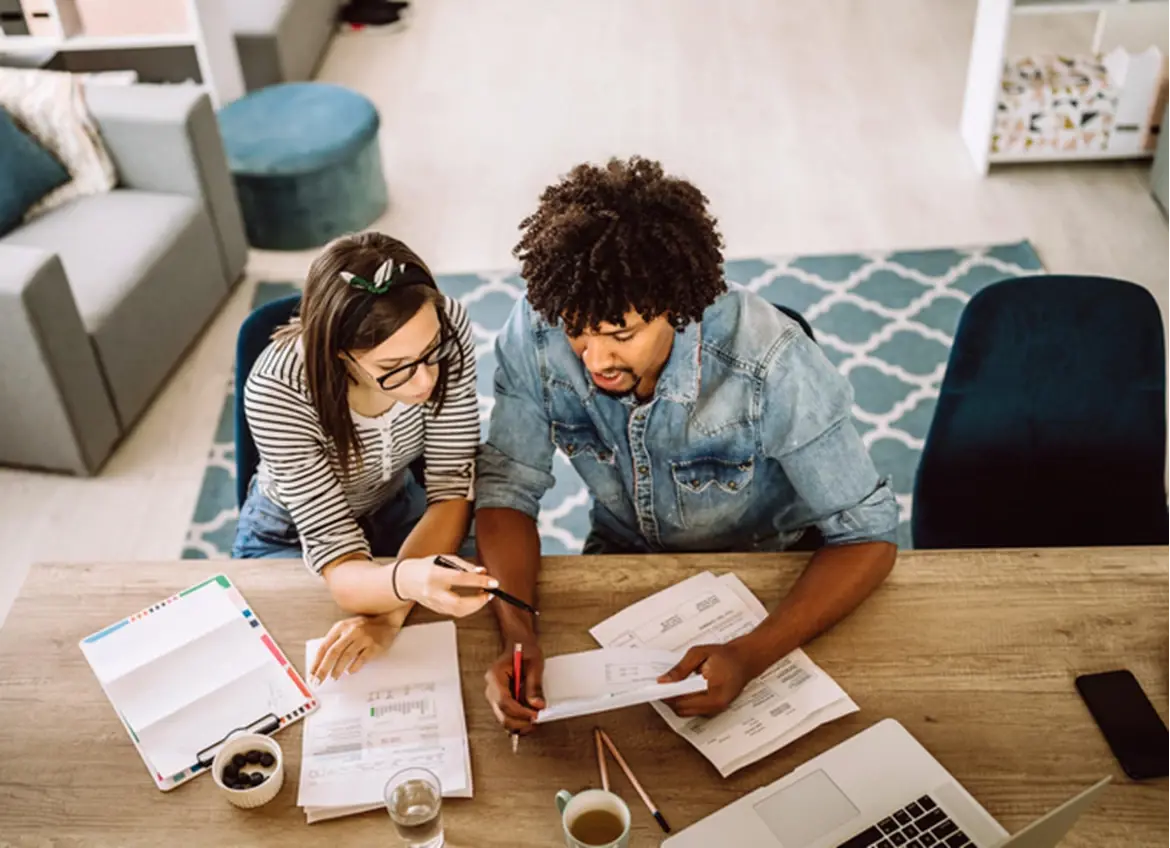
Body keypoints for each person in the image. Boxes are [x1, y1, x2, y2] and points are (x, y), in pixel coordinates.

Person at [475, 157, 899, 732]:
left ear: (678, 309)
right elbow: (507, 489)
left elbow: (868, 536)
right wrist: (519, 635)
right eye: (578, 330)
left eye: (621, 335)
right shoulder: (536, 328)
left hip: (765, 568)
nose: (594, 360)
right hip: (619, 554)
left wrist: (751, 655)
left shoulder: (770, 359)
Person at [232, 231, 494, 684]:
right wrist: (407, 583)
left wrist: (388, 617)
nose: (424, 382)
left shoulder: (446, 322)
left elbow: (452, 486)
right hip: (289, 531)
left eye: (431, 355)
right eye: (394, 369)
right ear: (338, 355)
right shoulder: (277, 390)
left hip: (397, 504)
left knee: (482, 622)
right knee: (279, 670)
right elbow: (338, 557)